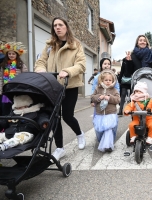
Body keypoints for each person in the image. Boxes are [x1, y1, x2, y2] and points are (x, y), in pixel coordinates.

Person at [35, 16, 86, 161]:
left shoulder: (76, 44)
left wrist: (68, 71)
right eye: (55, 25)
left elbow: (81, 64)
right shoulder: (50, 45)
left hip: (69, 85)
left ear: (66, 27)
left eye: (60, 25)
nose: (57, 27)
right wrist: (40, 69)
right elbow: (40, 61)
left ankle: (80, 134)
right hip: (52, 86)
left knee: (68, 116)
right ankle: (60, 148)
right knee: (54, 117)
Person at [91, 70, 120, 152]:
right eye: (106, 80)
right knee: (100, 130)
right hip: (100, 114)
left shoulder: (114, 90)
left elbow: (118, 100)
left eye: (110, 80)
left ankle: (108, 145)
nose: (108, 82)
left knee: (109, 129)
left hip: (110, 114)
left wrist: (110, 98)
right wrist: (99, 97)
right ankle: (101, 141)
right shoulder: (98, 88)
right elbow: (92, 97)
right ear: (102, 80)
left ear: (113, 81)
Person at [0, 42, 28, 116]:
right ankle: (5, 124)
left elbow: (25, 77)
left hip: (16, 90)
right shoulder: (4, 65)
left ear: (17, 55)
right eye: (9, 54)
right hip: (6, 90)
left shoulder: (21, 65)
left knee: (16, 108)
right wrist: (1, 90)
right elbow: (1, 79)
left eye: (13, 54)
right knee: (5, 108)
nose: (11, 55)